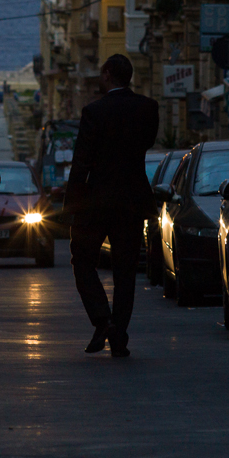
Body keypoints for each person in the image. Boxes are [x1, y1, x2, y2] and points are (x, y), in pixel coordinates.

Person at [65, 54, 159, 358]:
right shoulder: (148, 108)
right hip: (132, 201)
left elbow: (82, 161)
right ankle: (118, 334)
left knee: (82, 260)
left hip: (96, 201)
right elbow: (145, 144)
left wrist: (71, 203)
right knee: (125, 270)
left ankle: (102, 319)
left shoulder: (94, 111)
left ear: (107, 75)